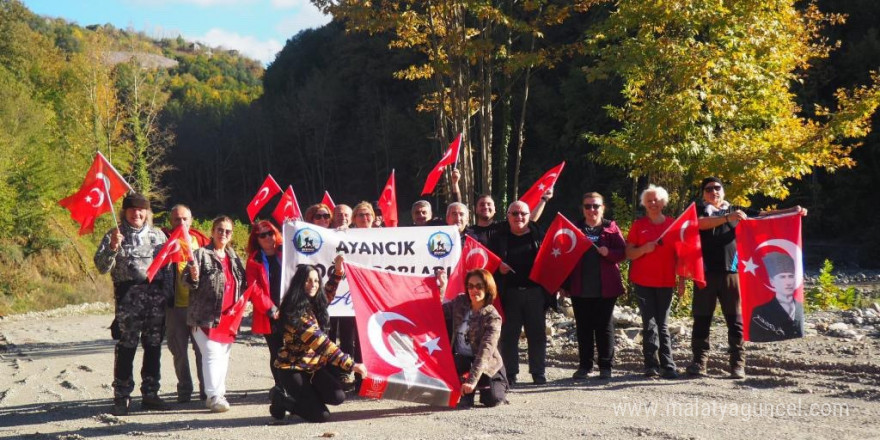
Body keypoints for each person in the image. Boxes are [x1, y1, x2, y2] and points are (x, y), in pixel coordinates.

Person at [688, 177, 807, 379]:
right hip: (704, 274)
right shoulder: (698, 210)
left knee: (735, 320)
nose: (713, 191)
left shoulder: (737, 210)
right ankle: (699, 363)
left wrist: (790, 211)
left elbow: (763, 216)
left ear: (723, 191)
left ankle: (737, 365)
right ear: (703, 194)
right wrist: (727, 218)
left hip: (732, 274)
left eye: (717, 188)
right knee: (701, 319)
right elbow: (699, 224)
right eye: (708, 189)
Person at [94, 193, 171, 415]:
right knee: (126, 348)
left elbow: (168, 269)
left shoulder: (158, 236)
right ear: (124, 212)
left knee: (153, 347)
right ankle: (122, 395)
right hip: (128, 302)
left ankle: (150, 393)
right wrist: (112, 248)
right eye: (132, 210)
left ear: (147, 212)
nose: (137, 213)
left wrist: (169, 295)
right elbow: (101, 267)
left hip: (155, 302)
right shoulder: (114, 235)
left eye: (141, 210)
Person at [271, 257, 368, 423]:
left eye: (316, 281)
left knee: (338, 396)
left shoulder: (313, 303)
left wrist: (338, 273)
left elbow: (327, 293)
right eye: (308, 281)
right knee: (320, 416)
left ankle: (308, 400)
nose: (313, 284)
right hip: (292, 369)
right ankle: (283, 400)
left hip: (313, 367)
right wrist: (353, 365)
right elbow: (322, 344)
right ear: (299, 283)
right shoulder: (294, 312)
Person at [560, 192, 626, 380]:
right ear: (583, 209)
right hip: (580, 287)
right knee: (583, 327)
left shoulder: (611, 228)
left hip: (606, 287)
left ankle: (606, 366)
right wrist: (564, 284)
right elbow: (565, 258)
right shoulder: (574, 229)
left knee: (604, 327)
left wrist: (609, 252)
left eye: (595, 206)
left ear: (602, 208)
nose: (592, 210)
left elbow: (623, 252)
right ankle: (585, 366)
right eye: (588, 206)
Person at [185, 216, 247, 412]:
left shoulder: (234, 257)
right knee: (211, 353)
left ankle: (219, 393)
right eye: (220, 230)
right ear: (212, 232)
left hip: (229, 316)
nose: (223, 234)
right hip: (204, 316)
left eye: (227, 231)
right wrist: (192, 275)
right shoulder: (201, 254)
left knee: (223, 356)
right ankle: (213, 394)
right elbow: (188, 281)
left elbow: (242, 282)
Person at [489, 201, 546, 386]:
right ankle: (511, 374)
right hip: (509, 294)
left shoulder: (539, 235)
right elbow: (488, 264)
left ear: (529, 216)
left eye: (523, 213)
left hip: (535, 293)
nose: (519, 217)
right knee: (509, 336)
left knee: (537, 335)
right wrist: (498, 268)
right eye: (514, 213)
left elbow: (553, 261)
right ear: (508, 216)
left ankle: (538, 373)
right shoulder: (499, 238)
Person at [625, 185, 678, 379]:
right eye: (649, 201)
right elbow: (628, 253)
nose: (653, 203)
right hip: (643, 281)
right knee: (649, 323)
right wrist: (643, 250)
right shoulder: (639, 225)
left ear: (663, 202)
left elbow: (681, 255)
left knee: (663, 324)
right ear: (644, 204)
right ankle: (650, 365)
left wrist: (681, 280)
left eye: (656, 200)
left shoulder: (673, 225)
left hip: (666, 281)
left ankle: (668, 365)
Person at [437, 268, 508, 408]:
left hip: (485, 363)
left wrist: (472, 380)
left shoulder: (492, 318)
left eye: (479, 286)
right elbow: (438, 312)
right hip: (461, 360)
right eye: (470, 286)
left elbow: (485, 352)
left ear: (488, 288)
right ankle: (466, 390)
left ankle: (494, 384)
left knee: (493, 400)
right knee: (462, 400)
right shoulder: (460, 302)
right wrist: (442, 287)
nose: (473, 290)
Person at [160, 204, 209, 403]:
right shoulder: (163, 241)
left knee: (202, 351)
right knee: (178, 351)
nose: (181, 223)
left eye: (184, 219)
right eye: (176, 220)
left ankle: (206, 389)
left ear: (191, 220)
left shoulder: (203, 242)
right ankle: (184, 389)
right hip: (174, 307)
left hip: (198, 307)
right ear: (170, 222)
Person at [245, 220, 285, 405]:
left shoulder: (285, 253)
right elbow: (254, 288)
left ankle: (295, 385)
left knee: (295, 350)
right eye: (262, 235)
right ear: (257, 239)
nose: (268, 237)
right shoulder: (254, 260)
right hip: (270, 313)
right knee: (276, 351)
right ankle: (280, 386)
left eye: (270, 232)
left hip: (290, 310)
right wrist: (270, 308)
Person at [748, 252, 805, 342]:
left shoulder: (799, 306)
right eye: (782, 277)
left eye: (791, 276)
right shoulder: (760, 311)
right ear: (772, 282)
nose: (788, 282)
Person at [468, 190, 552, 246]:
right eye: (482, 204)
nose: (486, 207)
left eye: (489, 204)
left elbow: (528, 221)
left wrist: (544, 199)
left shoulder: (504, 226)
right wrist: (455, 185)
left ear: (495, 209)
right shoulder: (469, 232)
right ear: (476, 210)